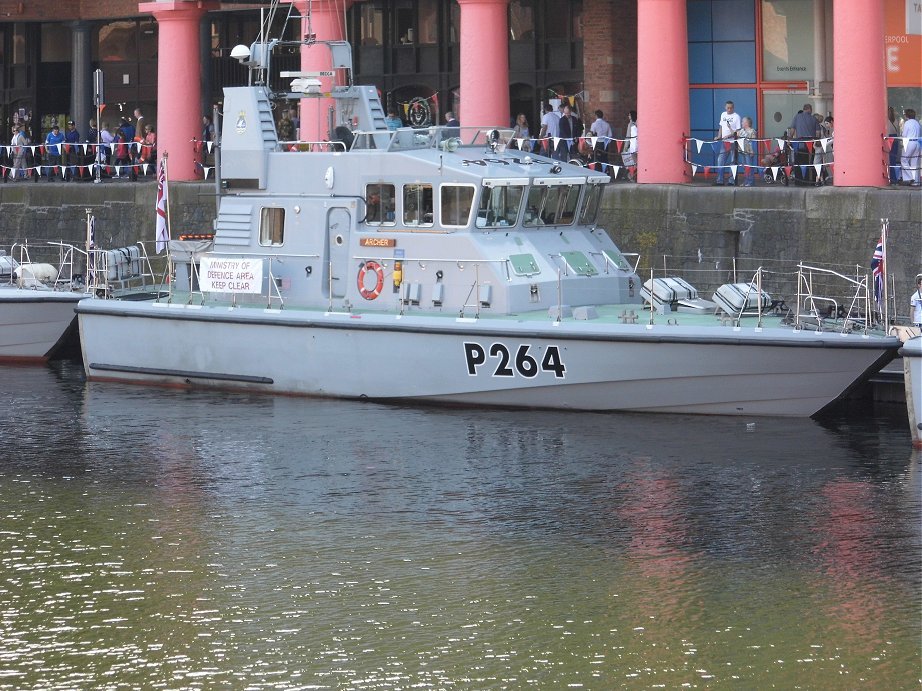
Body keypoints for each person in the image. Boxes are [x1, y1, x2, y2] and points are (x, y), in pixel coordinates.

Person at [787, 103, 820, 183]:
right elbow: (818, 133)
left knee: (799, 163)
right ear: (809, 109)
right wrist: (817, 142)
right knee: (811, 163)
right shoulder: (814, 119)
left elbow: (792, 130)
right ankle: (811, 181)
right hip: (811, 145)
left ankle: (799, 181)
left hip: (799, 145)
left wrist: (789, 139)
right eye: (811, 109)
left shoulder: (797, 117)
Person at [715, 100, 741, 185]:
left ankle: (731, 181)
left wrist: (729, 136)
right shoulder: (723, 114)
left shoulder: (736, 117)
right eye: (728, 108)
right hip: (724, 142)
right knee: (720, 160)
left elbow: (737, 131)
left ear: (733, 108)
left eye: (731, 108)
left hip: (733, 142)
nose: (729, 109)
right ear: (725, 107)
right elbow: (721, 127)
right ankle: (720, 180)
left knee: (733, 162)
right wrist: (719, 136)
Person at [900, 108, 921, 186]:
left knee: (904, 159)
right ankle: (916, 182)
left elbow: (904, 135)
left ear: (907, 115)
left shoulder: (907, 123)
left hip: (910, 143)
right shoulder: (917, 123)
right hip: (918, 143)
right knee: (914, 163)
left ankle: (909, 178)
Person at [737, 116, 757, 187]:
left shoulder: (752, 131)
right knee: (745, 167)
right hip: (742, 151)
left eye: (742, 121)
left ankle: (750, 182)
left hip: (748, 152)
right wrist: (729, 127)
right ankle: (746, 181)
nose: (741, 123)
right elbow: (734, 134)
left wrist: (752, 151)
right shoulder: (741, 131)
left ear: (747, 123)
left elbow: (753, 142)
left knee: (749, 166)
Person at [814, 115, 833, 186]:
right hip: (822, 146)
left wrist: (816, 143)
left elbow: (818, 137)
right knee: (820, 167)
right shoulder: (822, 128)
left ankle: (818, 181)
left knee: (818, 166)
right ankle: (821, 181)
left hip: (820, 146)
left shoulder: (818, 127)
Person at [887, 106, 901, 185]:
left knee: (890, 159)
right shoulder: (896, 120)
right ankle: (894, 178)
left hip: (890, 139)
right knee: (893, 160)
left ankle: (892, 178)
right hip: (895, 138)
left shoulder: (887, 121)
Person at [622, 111, 638, 180]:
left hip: (633, 145)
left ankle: (633, 175)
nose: (628, 116)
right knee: (637, 162)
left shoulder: (630, 124)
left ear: (631, 116)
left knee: (634, 162)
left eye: (629, 115)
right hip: (639, 144)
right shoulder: (638, 123)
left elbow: (628, 136)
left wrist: (625, 147)